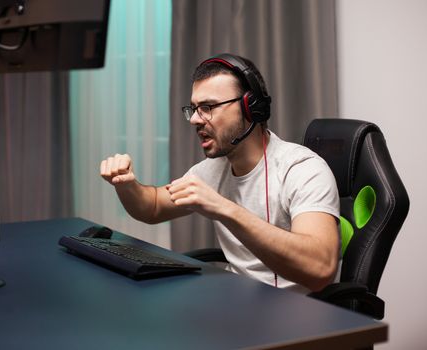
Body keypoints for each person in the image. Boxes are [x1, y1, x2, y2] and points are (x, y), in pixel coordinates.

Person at [100, 53, 340, 293]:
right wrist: (126, 184)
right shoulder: (212, 171)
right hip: (238, 305)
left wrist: (224, 208)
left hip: (299, 318)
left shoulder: (302, 169)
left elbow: (320, 270)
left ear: (250, 107)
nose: (195, 119)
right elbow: (152, 207)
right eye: (193, 109)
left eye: (207, 107)